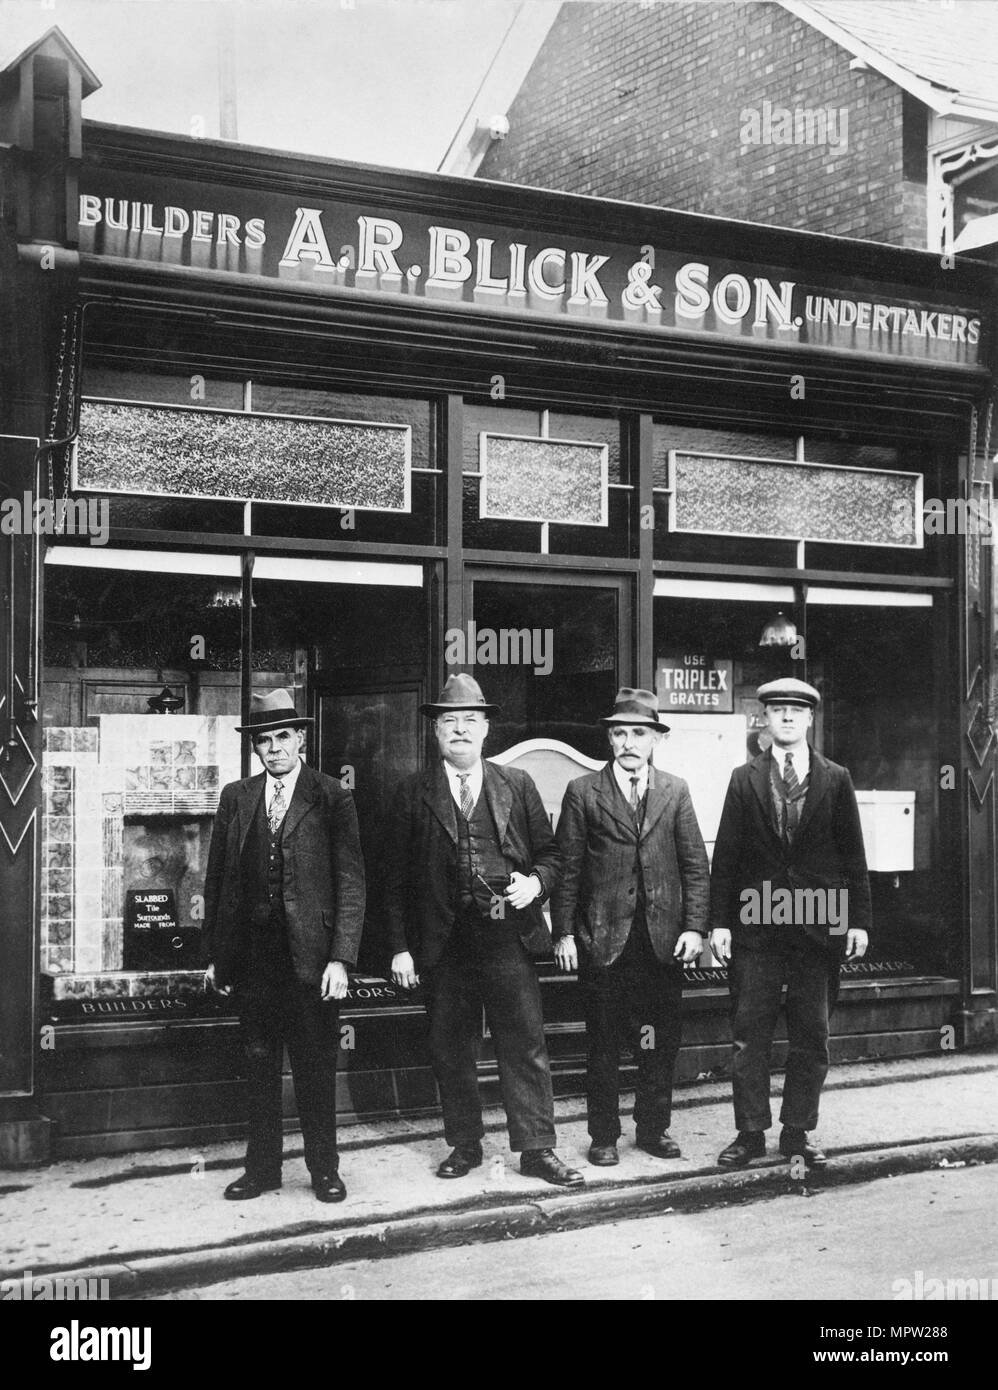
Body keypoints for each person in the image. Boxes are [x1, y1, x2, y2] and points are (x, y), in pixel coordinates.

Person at [384, 673, 583, 1189]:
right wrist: (400, 948)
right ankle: (465, 1144)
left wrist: (534, 885)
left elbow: (553, 855)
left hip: (507, 939)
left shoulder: (516, 785)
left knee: (525, 1045)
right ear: (435, 732)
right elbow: (392, 880)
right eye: (449, 721)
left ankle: (537, 1150)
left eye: (469, 720)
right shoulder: (411, 792)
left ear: (487, 727)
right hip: (444, 943)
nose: (459, 730)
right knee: (452, 1048)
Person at [203, 688, 366, 1203]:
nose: (272, 748)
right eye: (263, 740)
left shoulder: (330, 794)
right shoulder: (237, 796)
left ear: (300, 739)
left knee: (316, 1067)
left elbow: (352, 881)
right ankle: (262, 1170)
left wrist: (341, 957)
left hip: (312, 960)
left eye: (282, 737)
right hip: (253, 959)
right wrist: (216, 954)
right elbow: (217, 881)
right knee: (258, 1066)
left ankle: (324, 1170)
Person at [708, 677, 870, 1169]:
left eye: (795, 712)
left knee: (811, 1034)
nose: (786, 718)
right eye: (777, 710)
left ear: (809, 720)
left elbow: (853, 854)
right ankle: (750, 1133)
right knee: (748, 1034)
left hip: (818, 928)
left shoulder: (835, 778)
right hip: (756, 926)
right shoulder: (744, 777)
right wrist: (719, 922)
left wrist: (859, 921)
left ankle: (797, 1132)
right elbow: (727, 855)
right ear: (765, 718)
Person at [552, 687, 709, 1166]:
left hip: (663, 942)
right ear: (610, 740)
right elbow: (567, 867)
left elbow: (694, 865)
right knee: (602, 1045)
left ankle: (652, 1129)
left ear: (656, 739)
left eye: (638, 733)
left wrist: (695, 927)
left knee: (659, 1044)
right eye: (619, 733)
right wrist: (563, 933)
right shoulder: (584, 792)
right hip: (604, 940)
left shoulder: (675, 790)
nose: (627, 742)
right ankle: (603, 1136)